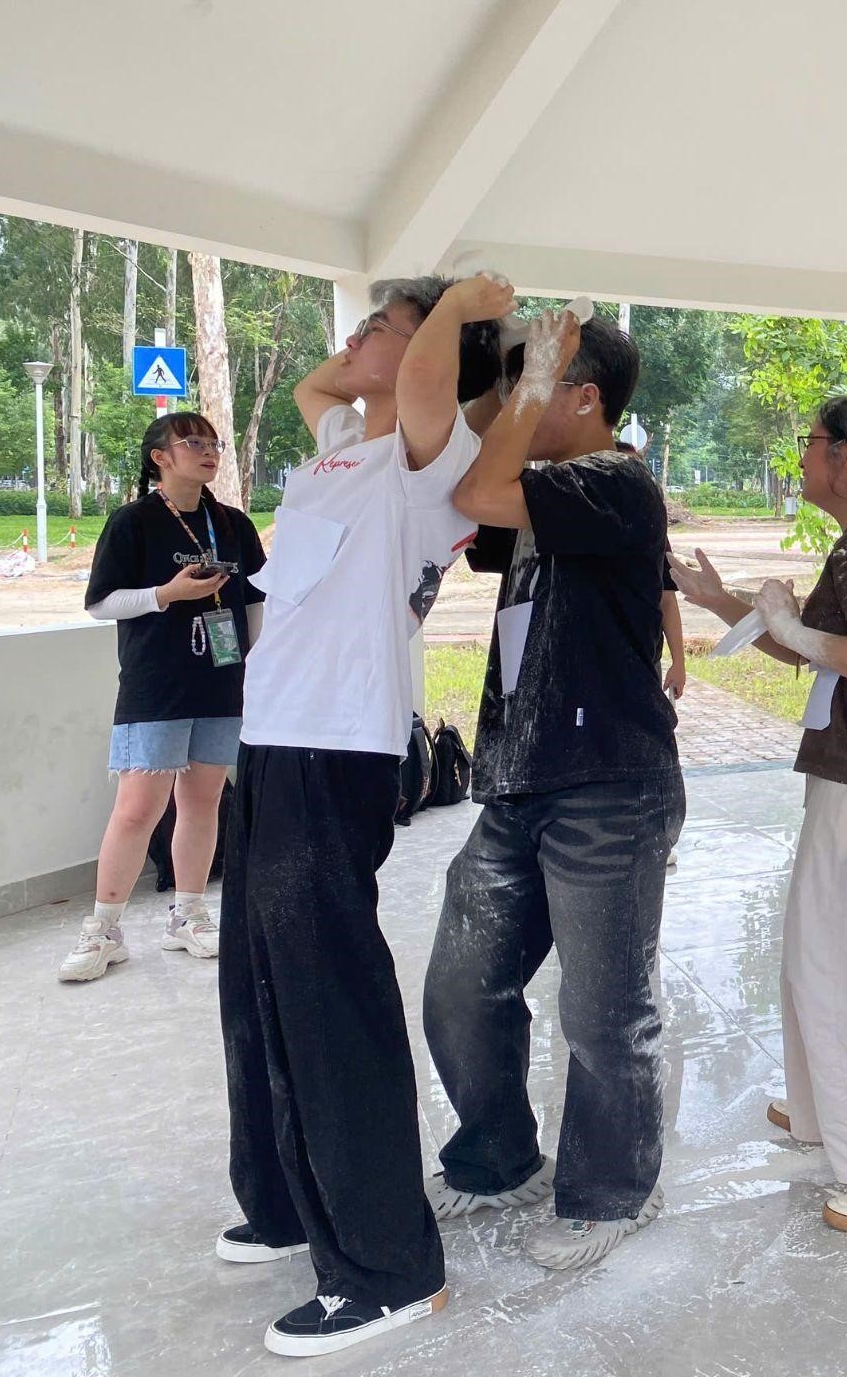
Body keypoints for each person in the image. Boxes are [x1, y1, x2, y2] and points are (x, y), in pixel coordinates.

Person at [215, 273, 508, 1359]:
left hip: (339, 742)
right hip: (273, 736)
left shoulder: (430, 463)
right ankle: (292, 1201)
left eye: (379, 325)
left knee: (327, 997)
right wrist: (367, 349)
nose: (356, 339)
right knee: (258, 989)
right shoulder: (344, 437)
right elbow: (313, 384)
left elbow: (430, 371)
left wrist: (460, 303)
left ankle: (387, 1265)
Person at [420, 308, 685, 1270]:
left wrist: (528, 381)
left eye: (541, 381)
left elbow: (481, 482)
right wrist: (506, 375)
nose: (519, 395)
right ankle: (499, 1158)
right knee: (461, 987)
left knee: (604, 1009)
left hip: (609, 785)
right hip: (520, 782)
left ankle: (614, 1188)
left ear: (584, 397)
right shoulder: (543, 489)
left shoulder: (613, 481)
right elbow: (471, 487)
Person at [670, 393, 847, 1233]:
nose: (800, 459)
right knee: (819, 957)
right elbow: (815, 644)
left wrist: (792, 631)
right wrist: (724, 602)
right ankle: (828, 1113)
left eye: (810, 444)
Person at [63, 412, 266, 982]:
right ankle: (103, 930)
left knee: (202, 803)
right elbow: (101, 603)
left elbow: (253, 601)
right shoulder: (134, 522)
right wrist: (167, 594)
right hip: (156, 683)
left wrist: (258, 665)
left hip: (222, 680)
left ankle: (190, 915)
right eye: (192, 442)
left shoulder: (232, 523)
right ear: (161, 457)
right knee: (137, 808)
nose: (207, 451)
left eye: (213, 443)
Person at [618, 436, 687, 871]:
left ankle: (661, 831)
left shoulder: (652, 541)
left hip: (644, 662)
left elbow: (668, 601)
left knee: (655, 746)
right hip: (599, 667)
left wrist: (679, 661)